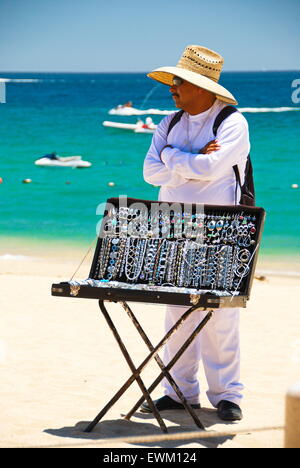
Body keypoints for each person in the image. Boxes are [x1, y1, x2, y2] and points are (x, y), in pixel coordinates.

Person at [142, 45, 251, 421]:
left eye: (178, 83)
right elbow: (149, 173)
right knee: (176, 313)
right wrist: (188, 158)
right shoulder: (169, 123)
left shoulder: (232, 122)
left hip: (223, 229)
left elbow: (212, 167)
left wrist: (171, 157)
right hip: (173, 227)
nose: (172, 89)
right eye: (172, 83)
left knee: (220, 316)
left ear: (201, 87)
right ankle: (177, 392)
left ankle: (227, 396)